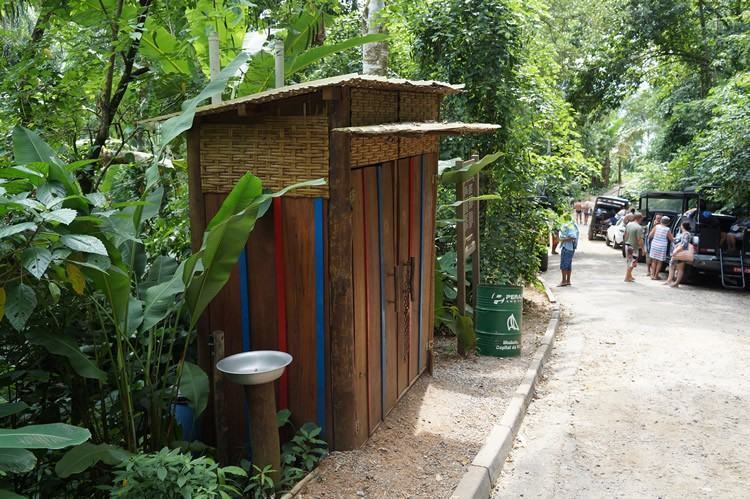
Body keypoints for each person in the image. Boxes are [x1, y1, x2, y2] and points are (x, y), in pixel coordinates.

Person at [666, 221, 693, 287]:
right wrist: (671, 237)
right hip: (676, 252)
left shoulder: (686, 234)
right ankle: (669, 280)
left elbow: (684, 245)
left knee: (680, 268)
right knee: (671, 266)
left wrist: (676, 251)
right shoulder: (682, 233)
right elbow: (676, 241)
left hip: (680, 253)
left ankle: (676, 283)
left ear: (682, 226)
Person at [648, 215, 673, 280]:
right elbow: (671, 239)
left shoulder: (656, 227)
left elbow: (650, 235)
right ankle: (656, 276)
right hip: (662, 246)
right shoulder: (667, 229)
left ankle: (652, 275)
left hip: (654, 245)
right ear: (668, 223)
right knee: (659, 261)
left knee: (654, 260)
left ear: (661, 221)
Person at [558, 214, 579, 287]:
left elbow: (573, 237)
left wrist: (563, 239)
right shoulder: (573, 225)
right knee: (568, 265)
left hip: (567, 247)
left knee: (564, 265)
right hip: (571, 248)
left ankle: (564, 281)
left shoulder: (569, 226)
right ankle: (568, 281)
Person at [623, 212, 644, 282]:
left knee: (629, 261)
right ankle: (627, 277)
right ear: (639, 218)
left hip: (627, 245)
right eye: (641, 218)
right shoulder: (639, 227)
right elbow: (639, 239)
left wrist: (625, 242)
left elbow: (625, 235)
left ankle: (629, 276)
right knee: (633, 262)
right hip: (633, 247)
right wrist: (643, 248)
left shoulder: (629, 224)